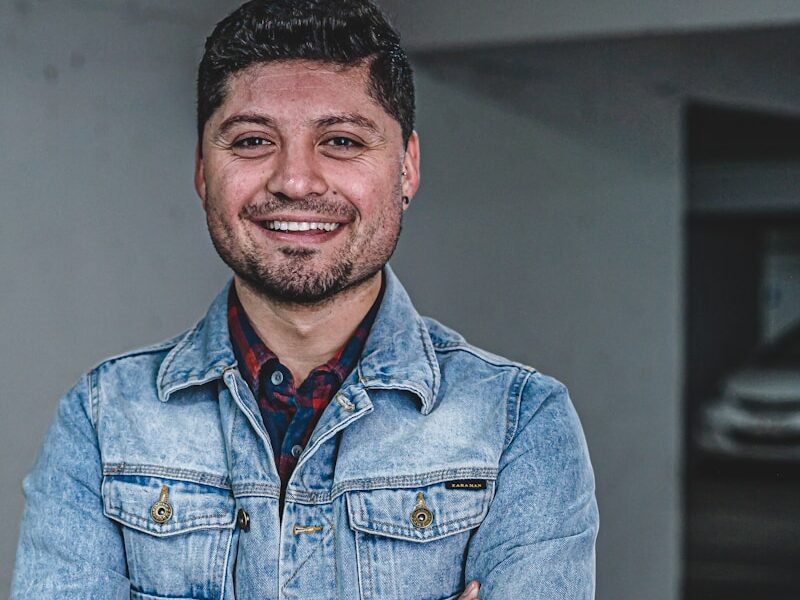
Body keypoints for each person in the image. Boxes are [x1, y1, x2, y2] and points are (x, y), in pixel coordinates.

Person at [10, 1, 598, 598]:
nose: (295, 180)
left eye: (341, 141)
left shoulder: (519, 422)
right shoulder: (102, 419)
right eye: (253, 140)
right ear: (202, 170)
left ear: (407, 169)